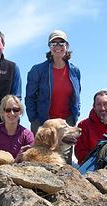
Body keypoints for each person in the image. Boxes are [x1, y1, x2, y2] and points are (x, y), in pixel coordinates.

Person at [25, 29, 81, 164]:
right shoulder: (38, 70)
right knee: (41, 162)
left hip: (65, 125)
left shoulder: (75, 71)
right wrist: (35, 121)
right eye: (53, 43)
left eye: (61, 43)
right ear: (49, 48)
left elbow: (77, 97)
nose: (58, 46)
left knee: (63, 165)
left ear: (67, 46)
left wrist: (74, 117)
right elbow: (30, 98)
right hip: (45, 124)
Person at [0, 95, 34, 162]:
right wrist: (15, 160)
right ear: (2, 112)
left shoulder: (27, 134)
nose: (12, 113)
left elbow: (31, 159)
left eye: (16, 110)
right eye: (8, 110)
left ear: (20, 112)